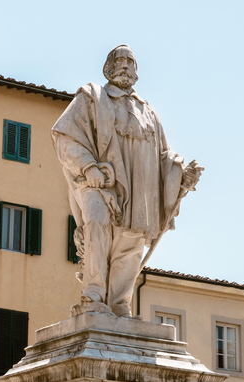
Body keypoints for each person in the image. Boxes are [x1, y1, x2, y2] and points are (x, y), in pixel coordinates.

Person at [52, 45, 201, 317]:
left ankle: (119, 301)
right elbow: (65, 136)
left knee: (131, 242)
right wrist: (88, 167)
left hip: (141, 187)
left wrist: (182, 174)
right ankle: (94, 293)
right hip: (99, 180)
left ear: (136, 71)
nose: (124, 65)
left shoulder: (148, 112)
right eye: (118, 60)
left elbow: (164, 155)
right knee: (96, 223)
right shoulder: (92, 97)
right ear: (107, 68)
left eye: (130, 61)